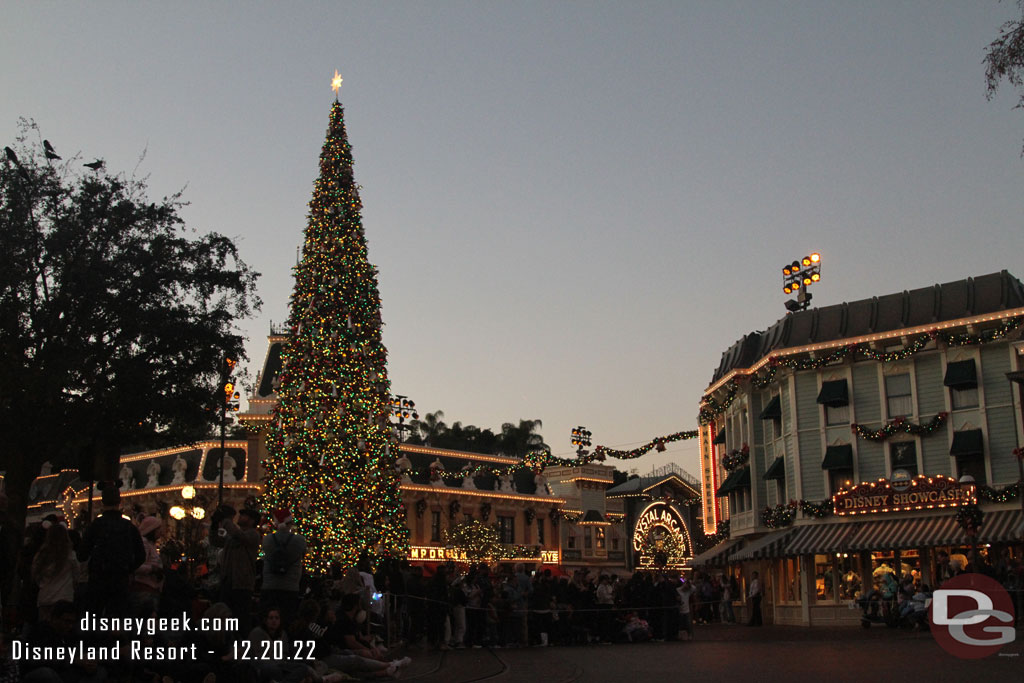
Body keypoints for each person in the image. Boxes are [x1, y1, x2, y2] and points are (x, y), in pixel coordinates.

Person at [77, 484, 146, 618]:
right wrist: (128, 568)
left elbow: (82, 555)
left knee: (93, 618)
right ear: (120, 502)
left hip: (98, 578)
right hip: (120, 579)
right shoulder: (128, 526)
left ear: (102, 502)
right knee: (116, 619)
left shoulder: (96, 525)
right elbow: (141, 555)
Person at [211, 505, 261, 635]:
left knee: (240, 618)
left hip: (242, 583)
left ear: (251, 521)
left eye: (243, 515)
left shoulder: (253, 535)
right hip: (228, 581)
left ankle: (240, 644)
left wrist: (226, 520)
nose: (239, 517)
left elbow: (239, 535)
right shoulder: (233, 537)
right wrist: (214, 523)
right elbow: (216, 541)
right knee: (225, 616)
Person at [259, 508, 306, 627]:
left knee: (268, 621)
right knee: (287, 620)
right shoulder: (300, 540)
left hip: (269, 586)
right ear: (289, 523)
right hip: (290, 587)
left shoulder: (267, 539)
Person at [30, 519, 80, 622]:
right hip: (64, 597)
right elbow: (76, 576)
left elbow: (35, 575)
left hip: (45, 597)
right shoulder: (70, 556)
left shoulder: (41, 556)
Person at [130, 516, 163, 617]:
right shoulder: (144, 543)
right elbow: (137, 566)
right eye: (159, 529)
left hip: (152, 587)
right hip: (144, 587)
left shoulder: (151, 544)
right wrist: (152, 569)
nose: (161, 532)